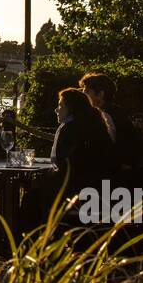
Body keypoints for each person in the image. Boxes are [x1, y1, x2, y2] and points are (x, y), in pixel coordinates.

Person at [19, 88, 115, 233]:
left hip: (72, 193)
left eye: (60, 105)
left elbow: (63, 164)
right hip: (98, 190)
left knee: (30, 199)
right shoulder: (95, 125)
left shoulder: (69, 128)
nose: (57, 110)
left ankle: (29, 243)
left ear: (71, 108)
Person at [79, 72, 143, 181]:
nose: (84, 97)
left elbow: (112, 147)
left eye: (87, 93)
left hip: (115, 175)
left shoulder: (105, 115)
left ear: (100, 94)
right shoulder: (116, 112)